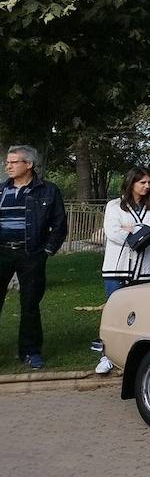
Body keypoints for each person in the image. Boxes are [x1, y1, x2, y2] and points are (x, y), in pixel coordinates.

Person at [0, 145, 68, 370]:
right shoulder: (1, 190)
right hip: (2, 253)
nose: (7, 165)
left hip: (31, 255)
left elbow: (59, 225)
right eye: (7, 162)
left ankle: (30, 351)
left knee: (29, 304)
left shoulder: (48, 191)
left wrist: (46, 252)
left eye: (13, 162)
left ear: (28, 164)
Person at [97, 168, 150, 374]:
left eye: (149, 183)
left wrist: (132, 228)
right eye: (142, 182)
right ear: (131, 183)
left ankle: (133, 357)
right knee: (114, 312)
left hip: (143, 269)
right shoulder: (114, 206)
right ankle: (107, 356)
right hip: (116, 268)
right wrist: (142, 231)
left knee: (140, 314)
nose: (147, 186)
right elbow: (113, 232)